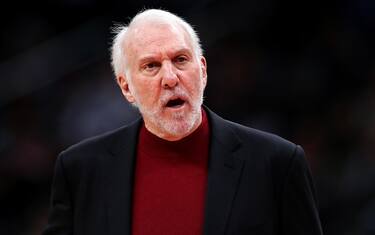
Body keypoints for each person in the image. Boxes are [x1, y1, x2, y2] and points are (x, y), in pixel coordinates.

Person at [42, 9, 323, 235]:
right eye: (151, 66)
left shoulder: (277, 163)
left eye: (180, 60)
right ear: (126, 87)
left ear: (202, 71)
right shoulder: (80, 169)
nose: (171, 78)